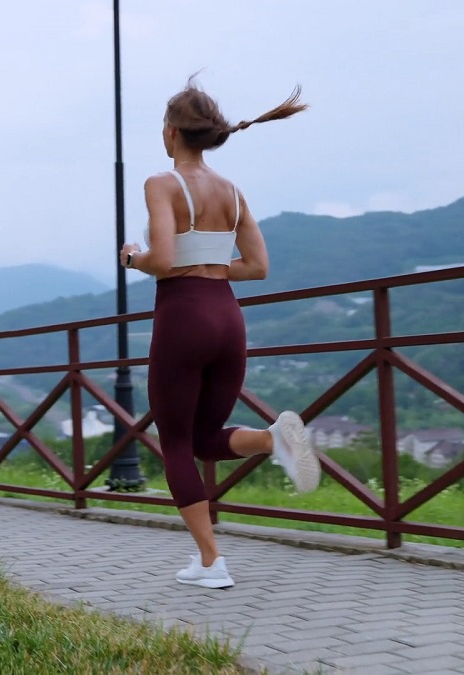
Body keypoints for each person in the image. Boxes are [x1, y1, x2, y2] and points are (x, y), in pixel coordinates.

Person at [119, 78, 319, 590]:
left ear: (170, 133)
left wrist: (132, 257)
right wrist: (208, 266)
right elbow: (257, 266)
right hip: (228, 320)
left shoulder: (162, 183)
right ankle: (274, 438)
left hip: (184, 318)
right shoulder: (231, 192)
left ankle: (212, 562)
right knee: (206, 440)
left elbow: (162, 260)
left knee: (177, 443)